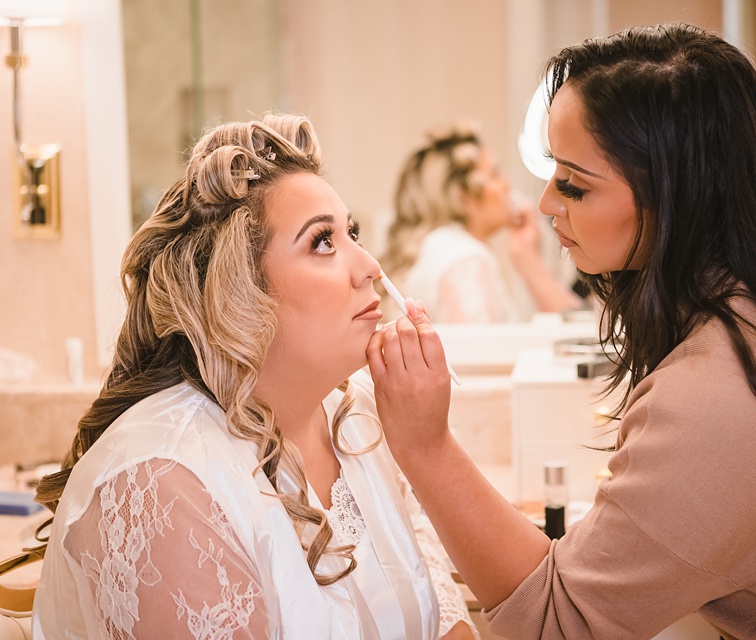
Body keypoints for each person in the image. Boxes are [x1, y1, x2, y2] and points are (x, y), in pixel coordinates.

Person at [366, 24, 756, 640]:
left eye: (573, 182)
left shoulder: (724, 397)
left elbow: (553, 624)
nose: (545, 203)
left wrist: (425, 446)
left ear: (673, 196)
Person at [31, 114, 477, 639]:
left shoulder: (360, 415)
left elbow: (441, 611)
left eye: (350, 232)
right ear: (238, 293)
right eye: (323, 242)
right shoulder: (162, 481)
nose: (372, 266)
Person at [379, 122, 582, 323]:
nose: (507, 184)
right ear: (465, 196)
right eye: (495, 173)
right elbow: (480, 354)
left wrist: (526, 254)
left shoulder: (436, 249)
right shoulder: (465, 259)